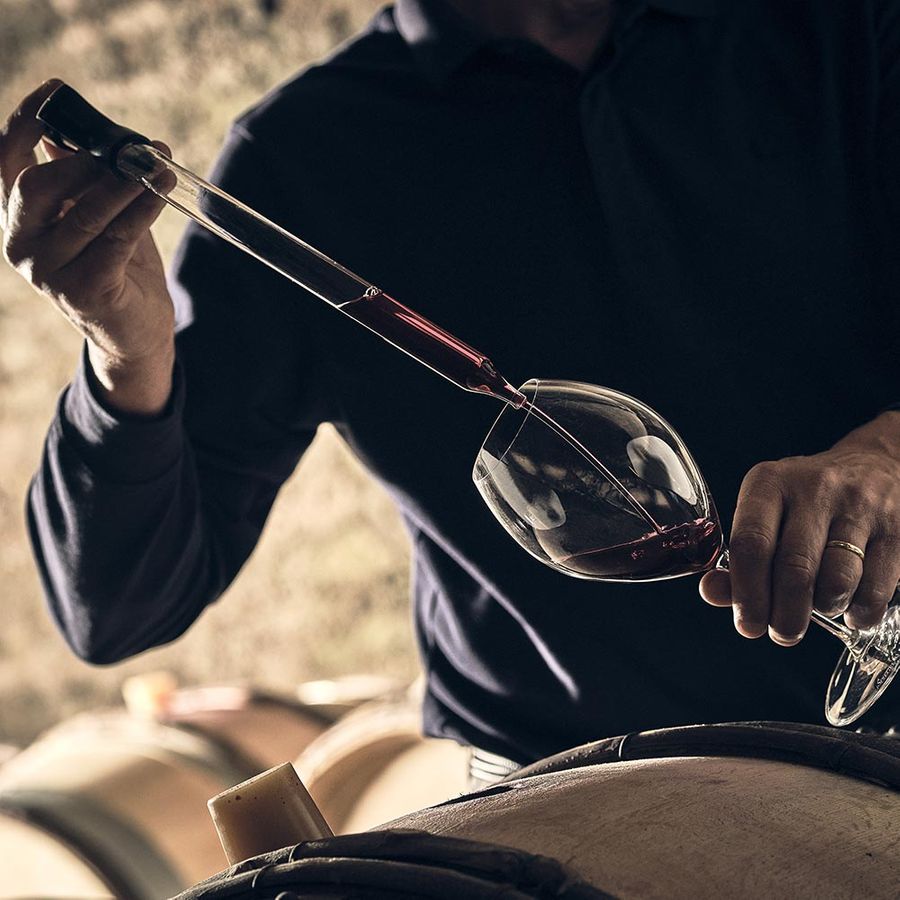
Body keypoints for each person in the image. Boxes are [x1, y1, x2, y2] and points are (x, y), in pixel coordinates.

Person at [3, 0, 900, 770]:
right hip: (571, 816)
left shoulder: (843, 27)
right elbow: (116, 608)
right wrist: (127, 356)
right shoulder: (303, 162)